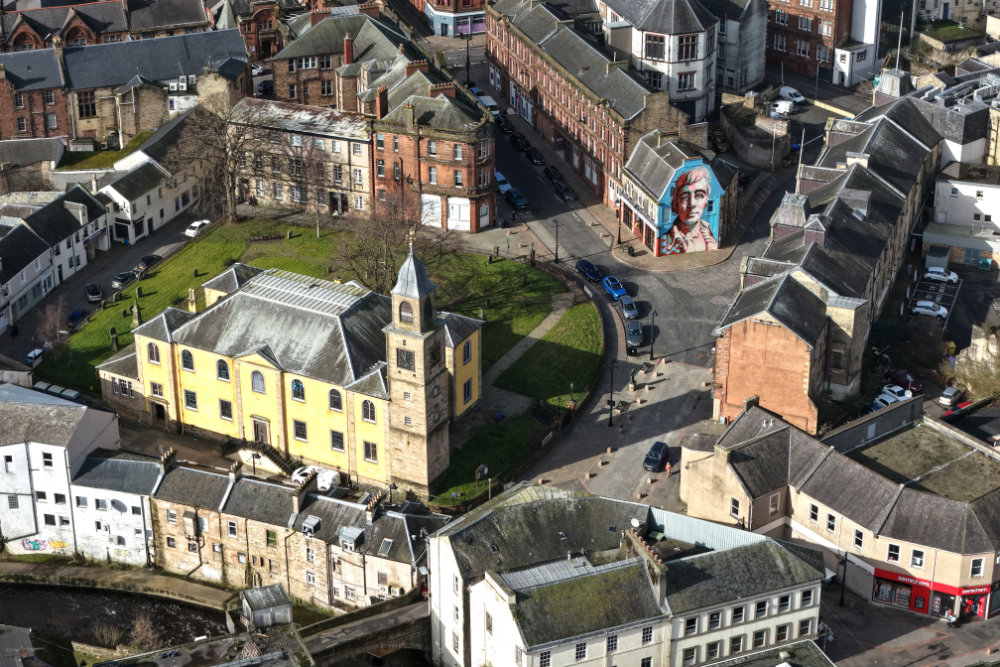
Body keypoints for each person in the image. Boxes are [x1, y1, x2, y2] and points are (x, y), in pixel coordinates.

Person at [662, 166, 718, 254]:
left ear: (706, 202)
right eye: (685, 197)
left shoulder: (709, 235)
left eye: (699, 195)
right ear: (676, 203)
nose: (691, 203)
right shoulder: (665, 241)